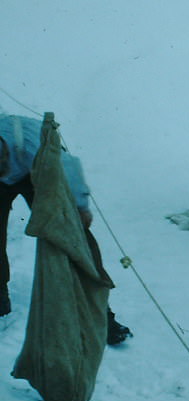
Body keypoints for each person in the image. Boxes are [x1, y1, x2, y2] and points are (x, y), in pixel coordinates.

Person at [0, 113, 131, 344]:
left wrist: (79, 208)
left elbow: (68, 168)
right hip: (9, 177)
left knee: (70, 238)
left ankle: (101, 318)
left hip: (38, 172)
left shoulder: (35, 141)